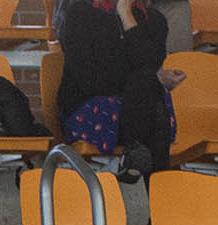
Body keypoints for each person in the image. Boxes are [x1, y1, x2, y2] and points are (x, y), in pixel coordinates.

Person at [57, 0, 185, 181]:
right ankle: (158, 187)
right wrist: (150, 77)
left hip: (137, 106)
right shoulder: (80, 12)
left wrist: (126, 14)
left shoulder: (154, 20)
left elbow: (149, 64)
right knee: (152, 98)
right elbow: (91, 81)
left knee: (148, 89)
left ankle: (134, 155)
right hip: (90, 109)